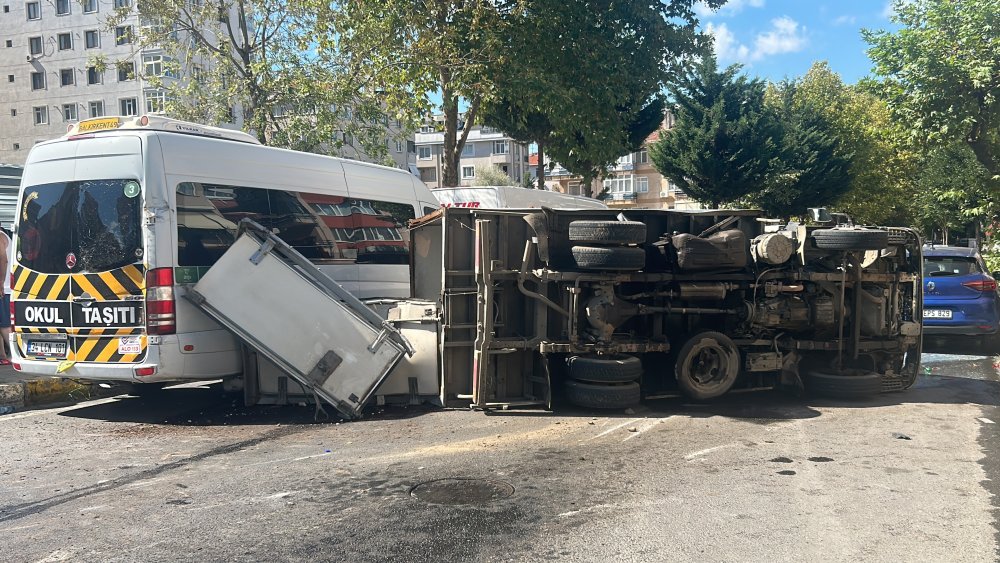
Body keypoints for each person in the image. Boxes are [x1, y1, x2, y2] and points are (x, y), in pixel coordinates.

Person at [0, 226, 12, 365]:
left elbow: (3, 260)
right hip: (5, 286)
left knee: (4, 324)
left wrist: (1, 282)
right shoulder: (5, 235)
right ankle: (2, 355)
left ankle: (15, 354)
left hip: (4, 288)